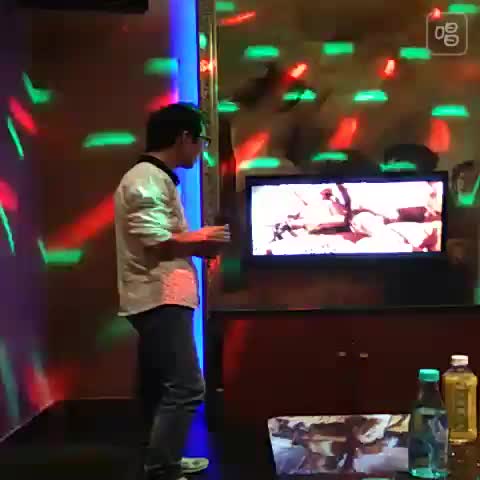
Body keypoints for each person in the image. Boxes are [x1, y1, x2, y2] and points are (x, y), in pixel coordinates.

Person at [114, 103, 231, 480]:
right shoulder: (146, 178)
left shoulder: (155, 178)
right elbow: (154, 241)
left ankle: (163, 459)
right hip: (158, 297)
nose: (202, 149)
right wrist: (202, 238)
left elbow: (159, 240)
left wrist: (197, 245)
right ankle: (162, 467)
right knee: (187, 386)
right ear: (184, 138)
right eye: (202, 140)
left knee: (158, 386)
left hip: (162, 295)